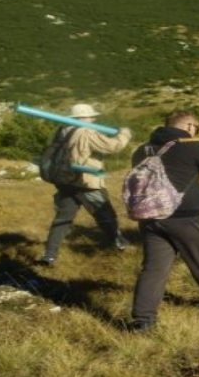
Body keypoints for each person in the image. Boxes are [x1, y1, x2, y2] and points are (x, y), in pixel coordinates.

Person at [129, 111, 199, 331]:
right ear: (189, 126)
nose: (196, 132)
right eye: (196, 128)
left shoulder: (141, 150)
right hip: (186, 217)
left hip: (152, 217)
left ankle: (143, 319)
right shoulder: (191, 146)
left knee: (153, 268)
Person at [37, 103, 132, 266]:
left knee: (62, 219)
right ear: (83, 118)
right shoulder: (86, 131)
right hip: (86, 181)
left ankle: (50, 255)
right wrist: (125, 134)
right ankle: (119, 244)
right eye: (91, 116)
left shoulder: (61, 130)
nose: (94, 119)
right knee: (106, 215)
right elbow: (113, 147)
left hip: (65, 181)